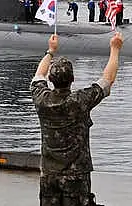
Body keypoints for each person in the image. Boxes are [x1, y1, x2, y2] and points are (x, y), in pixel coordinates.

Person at [30, 32, 123, 205]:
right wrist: (115, 49)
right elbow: (108, 79)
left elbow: (38, 76)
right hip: (76, 177)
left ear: (51, 79)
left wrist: (50, 51)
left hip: (49, 176)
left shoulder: (42, 99)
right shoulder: (79, 101)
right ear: (72, 79)